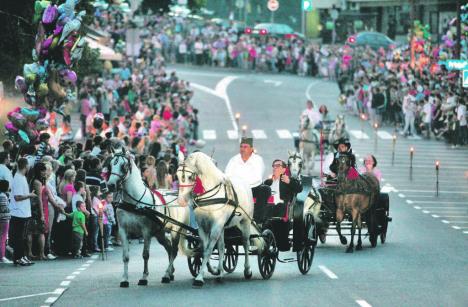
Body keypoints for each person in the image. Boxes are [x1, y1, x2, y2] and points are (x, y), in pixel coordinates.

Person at [225, 137, 270, 221]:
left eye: (245, 147)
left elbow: (257, 178)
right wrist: (238, 186)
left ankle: (257, 220)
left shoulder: (257, 160)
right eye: (241, 147)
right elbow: (227, 176)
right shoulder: (233, 160)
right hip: (235, 189)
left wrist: (243, 185)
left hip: (252, 188)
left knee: (265, 189)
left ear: (251, 149)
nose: (242, 149)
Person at [9, 158, 36, 266]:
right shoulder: (18, 178)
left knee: (22, 236)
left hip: (23, 212)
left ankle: (22, 256)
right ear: (26, 166)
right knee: (19, 237)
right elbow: (17, 197)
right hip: (18, 212)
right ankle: (18, 257)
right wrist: (30, 195)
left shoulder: (22, 177)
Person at [0, 180, 12, 263]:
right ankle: (2, 256)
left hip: (3, 219)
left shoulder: (3, 195)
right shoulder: (3, 196)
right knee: (3, 237)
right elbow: (3, 208)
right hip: (4, 219)